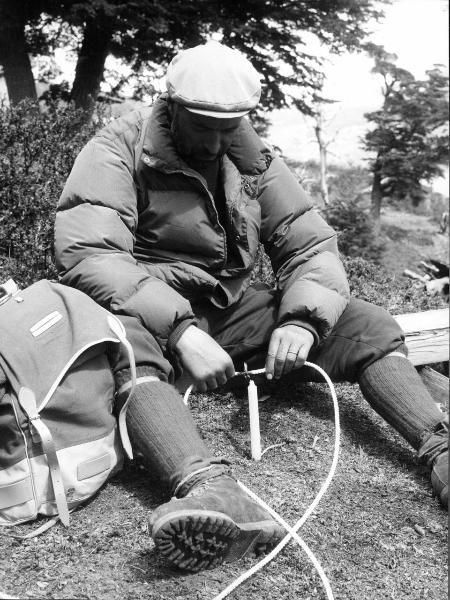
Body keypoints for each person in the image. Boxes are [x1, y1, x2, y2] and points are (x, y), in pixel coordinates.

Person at [54, 41, 448, 573]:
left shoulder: (250, 153)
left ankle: (439, 448)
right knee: (125, 346)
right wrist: (181, 331)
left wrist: (302, 319)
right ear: (169, 105)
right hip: (149, 315)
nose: (217, 140)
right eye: (203, 125)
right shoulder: (117, 148)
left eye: (230, 125)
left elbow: (310, 246)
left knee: (368, 323)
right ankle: (212, 492)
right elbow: (89, 252)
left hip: (229, 309)